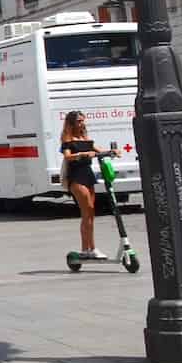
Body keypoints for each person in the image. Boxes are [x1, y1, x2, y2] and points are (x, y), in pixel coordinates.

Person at [59, 110, 116, 261]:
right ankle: (89, 249)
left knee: (90, 214)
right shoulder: (68, 140)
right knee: (87, 211)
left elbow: (98, 151)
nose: (82, 123)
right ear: (71, 123)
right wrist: (82, 155)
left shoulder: (85, 138)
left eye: (83, 120)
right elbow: (68, 156)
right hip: (76, 177)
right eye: (78, 121)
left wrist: (112, 152)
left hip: (88, 175)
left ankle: (88, 249)